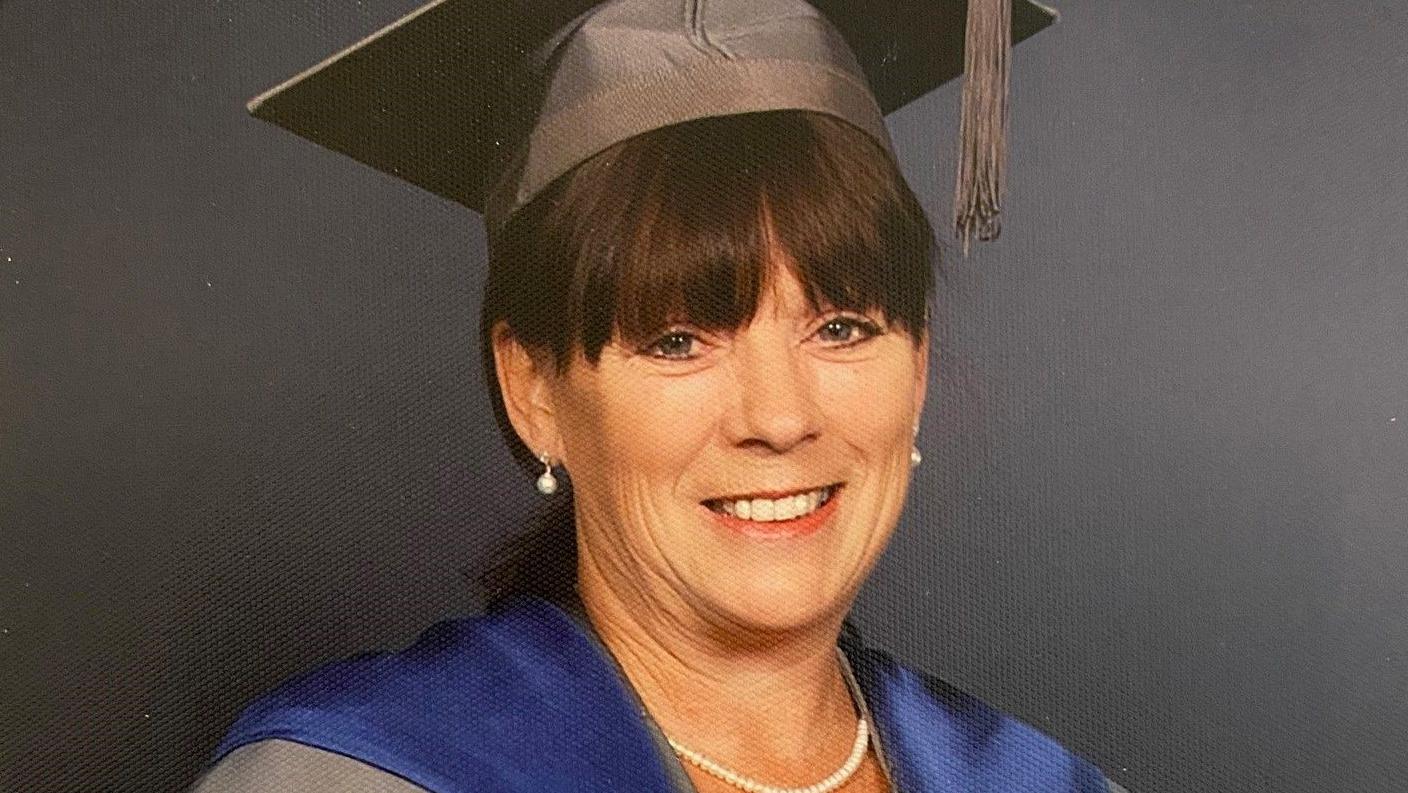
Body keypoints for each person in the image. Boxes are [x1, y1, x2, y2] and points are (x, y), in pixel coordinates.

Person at [192, 0, 1131, 791]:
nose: (778, 416)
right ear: (534, 391)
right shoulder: (355, 775)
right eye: (679, 339)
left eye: (841, 326)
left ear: (917, 364)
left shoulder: (1032, 779)